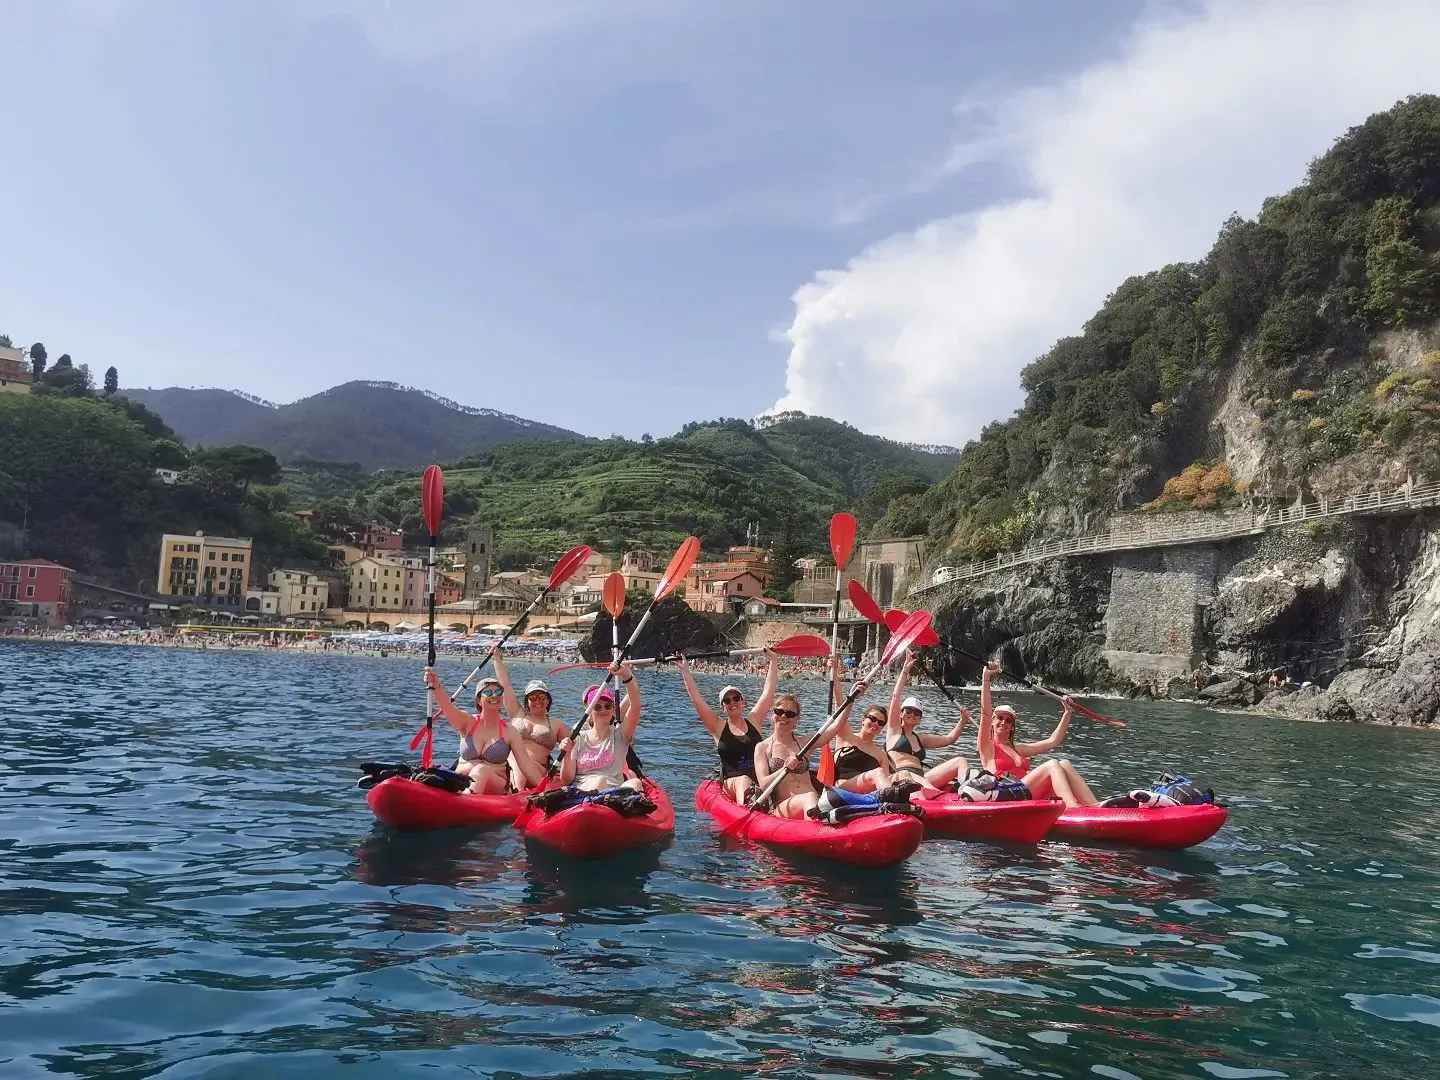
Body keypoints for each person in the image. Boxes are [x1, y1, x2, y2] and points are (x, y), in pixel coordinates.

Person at [976, 661, 1100, 808]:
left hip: (1025, 793)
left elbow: (1053, 741)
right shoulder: (987, 748)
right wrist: (986, 678)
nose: (1004, 722)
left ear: (1011, 727)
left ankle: (1095, 807)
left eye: (1008, 720)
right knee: (1052, 764)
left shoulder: (1017, 748)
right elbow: (985, 713)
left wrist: (1067, 713)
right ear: (993, 721)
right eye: (1000, 718)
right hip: (1006, 796)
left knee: (1064, 764)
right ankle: (1072, 809)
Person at [677, 647, 779, 804]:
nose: (733, 702)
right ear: (722, 707)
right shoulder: (718, 726)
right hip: (732, 781)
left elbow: (768, 692)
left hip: (758, 779)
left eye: (736, 698)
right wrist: (685, 670)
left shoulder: (753, 721)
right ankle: (748, 806)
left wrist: (773, 660)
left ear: (742, 702)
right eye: (727, 700)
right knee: (743, 780)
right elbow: (697, 699)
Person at [423, 667, 545, 794]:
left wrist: (545, 788)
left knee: (481, 770)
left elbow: (526, 765)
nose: (494, 696)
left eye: (498, 692)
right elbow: (448, 708)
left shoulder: (510, 731)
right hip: (460, 782)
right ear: (478, 700)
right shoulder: (467, 722)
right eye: (488, 693)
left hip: (496, 785)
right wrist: (436, 687)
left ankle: (463, 804)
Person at [753, 688, 851, 820]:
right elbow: (764, 784)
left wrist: (851, 699)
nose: (783, 716)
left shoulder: (805, 743)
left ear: (796, 719)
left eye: (790, 714)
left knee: (836, 796)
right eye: (779, 711)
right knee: (809, 796)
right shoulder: (762, 747)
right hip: (784, 806)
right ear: (773, 714)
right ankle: (817, 833)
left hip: (813, 801)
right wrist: (785, 768)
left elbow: (837, 725)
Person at [884, 655, 972, 791]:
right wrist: (905, 669)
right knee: (928, 785)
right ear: (901, 713)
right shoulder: (894, 731)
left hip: (923, 779)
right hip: (902, 778)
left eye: (916, 713)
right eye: (908, 710)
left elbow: (950, 739)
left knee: (960, 761)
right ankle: (937, 793)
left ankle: (969, 791)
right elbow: (896, 697)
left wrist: (963, 720)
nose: (912, 714)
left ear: (919, 719)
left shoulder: (921, 739)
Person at [555, 660, 644, 793]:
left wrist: (627, 675)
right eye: (597, 706)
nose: (603, 709)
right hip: (584, 792)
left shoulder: (620, 735)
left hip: (615, 794)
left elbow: (635, 706)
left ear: (613, 709)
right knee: (599, 781)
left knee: (635, 783)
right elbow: (566, 780)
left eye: (607, 706)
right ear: (590, 710)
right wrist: (567, 756)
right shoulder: (578, 738)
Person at [494, 650, 569, 784]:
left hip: (537, 770)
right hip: (509, 766)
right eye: (532, 698)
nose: (537, 701)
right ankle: (516, 787)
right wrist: (497, 660)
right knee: (516, 761)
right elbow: (505, 684)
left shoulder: (557, 725)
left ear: (548, 700)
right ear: (527, 701)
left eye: (541, 697)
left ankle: (519, 789)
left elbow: (572, 749)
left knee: (523, 766)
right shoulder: (517, 713)